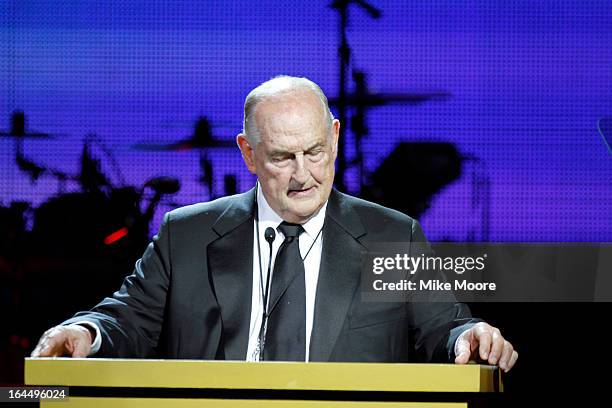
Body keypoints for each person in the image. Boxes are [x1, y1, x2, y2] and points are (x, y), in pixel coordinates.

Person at [32, 76, 517, 372]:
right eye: (283, 157)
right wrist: (86, 332)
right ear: (248, 152)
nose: (303, 174)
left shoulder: (393, 235)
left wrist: (469, 337)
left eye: (316, 152)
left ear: (335, 136)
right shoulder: (187, 234)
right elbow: (126, 319)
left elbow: (445, 326)